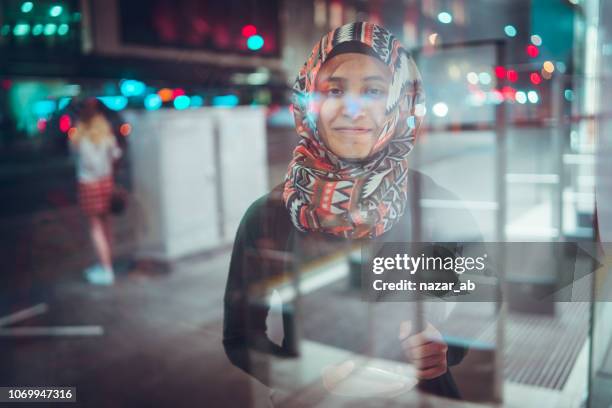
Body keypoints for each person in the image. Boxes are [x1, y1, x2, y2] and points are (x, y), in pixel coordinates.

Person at [224, 22, 483, 403]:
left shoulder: (431, 203)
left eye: (374, 90)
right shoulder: (270, 216)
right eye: (334, 89)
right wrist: (303, 375)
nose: (352, 108)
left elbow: (482, 291)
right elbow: (240, 338)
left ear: (400, 100)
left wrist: (446, 346)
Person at [69, 99, 122, 285]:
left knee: (96, 228)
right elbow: (116, 155)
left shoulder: (80, 137)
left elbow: (79, 161)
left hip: (89, 184)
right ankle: (109, 264)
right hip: (106, 182)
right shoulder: (106, 133)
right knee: (106, 225)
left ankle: (106, 269)